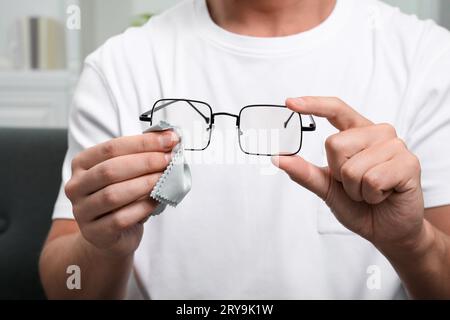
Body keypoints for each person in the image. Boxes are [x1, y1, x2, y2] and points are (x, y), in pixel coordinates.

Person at [39, 0, 450, 299]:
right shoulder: (119, 66)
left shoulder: (428, 59)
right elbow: (67, 283)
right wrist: (102, 247)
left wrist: (411, 243)